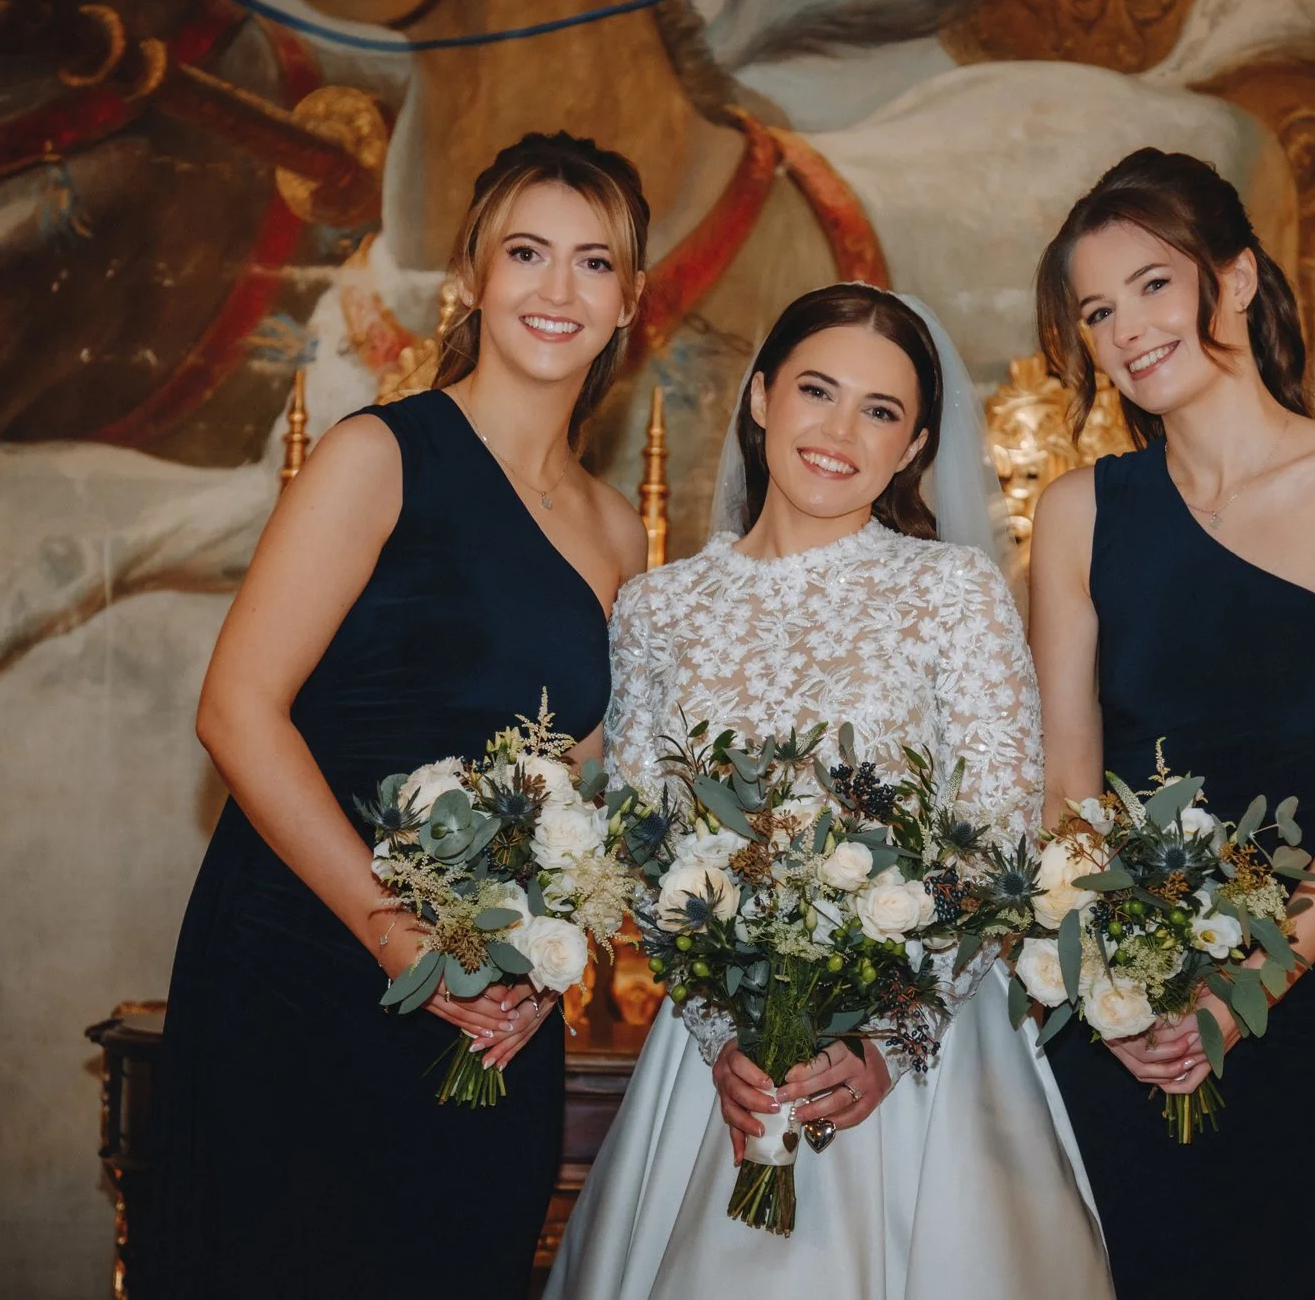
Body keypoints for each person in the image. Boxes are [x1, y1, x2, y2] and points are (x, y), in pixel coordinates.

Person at [151, 132, 652, 1298]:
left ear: (630, 301)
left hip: (487, 1002)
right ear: (469, 278)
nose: (557, 287)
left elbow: (574, 785)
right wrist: (396, 936)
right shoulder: (377, 455)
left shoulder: (616, 530)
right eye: (525, 252)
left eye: (592, 262)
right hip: (305, 962)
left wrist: (538, 967)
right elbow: (236, 712)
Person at [547, 284, 1112, 1300]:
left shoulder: (952, 592)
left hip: (920, 1056)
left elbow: (999, 840)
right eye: (817, 390)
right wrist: (723, 1035)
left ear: (914, 446)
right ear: (762, 397)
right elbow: (643, 848)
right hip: (722, 1064)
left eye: (879, 410)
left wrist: (891, 1038)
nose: (840, 431)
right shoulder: (656, 610)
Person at [1028, 148, 1315, 1296]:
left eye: (1151, 285)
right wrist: (1107, 987)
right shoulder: (1078, 514)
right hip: (1116, 1020)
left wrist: (1243, 989)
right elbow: (1065, 790)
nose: (1125, 330)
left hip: (1297, 1006)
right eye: (1096, 312)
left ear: (1237, 277)